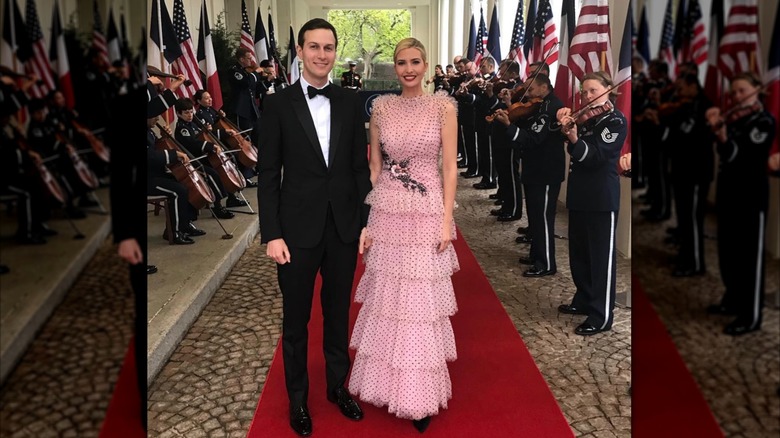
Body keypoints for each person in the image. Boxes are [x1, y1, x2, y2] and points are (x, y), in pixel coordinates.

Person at [257, 18, 371, 437]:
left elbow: (359, 169)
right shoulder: (277, 104)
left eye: (329, 47)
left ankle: (338, 387)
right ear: (301, 51)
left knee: (338, 314)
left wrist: (363, 222)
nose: (322, 54)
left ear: (335, 52)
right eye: (314, 47)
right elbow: (268, 173)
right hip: (295, 231)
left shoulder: (348, 100)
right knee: (296, 320)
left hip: (342, 228)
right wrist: (272, 233)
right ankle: (298, 400)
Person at [347, 37, 459, 434]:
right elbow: (375, 167)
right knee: (387, 296)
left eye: (414, 61)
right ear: (393, 67)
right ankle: (386, 381)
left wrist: (447, 221)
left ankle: (419, 395)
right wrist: (367, 221)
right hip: (388, 211)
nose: (408, 69)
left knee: (418, 302)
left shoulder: (444, 107)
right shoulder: (380, 108)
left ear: (426, 65)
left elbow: (449, 169)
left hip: (428, 212)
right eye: (401, 62)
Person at [556, 71, 627, 336]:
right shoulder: (586, 117)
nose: (587, 96)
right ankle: (584, 298)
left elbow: (596, 156)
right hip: (580, 194)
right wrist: (564, 126)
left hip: (601, 197)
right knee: (580, 253)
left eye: (593, 90)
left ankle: (601, 314)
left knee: (601, 258)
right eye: (584, 91)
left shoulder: (615, 120)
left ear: (609, 89)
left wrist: (573, 137)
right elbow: (568, 143)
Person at [705, 72, 776, 336]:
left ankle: (751, 314)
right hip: (729, 193)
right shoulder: (735, 118)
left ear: (758, 89)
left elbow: (745, 155)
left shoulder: (764, 121)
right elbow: (725, 153)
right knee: (729, 252)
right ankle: (732, 299)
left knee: (749, 258)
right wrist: (717, 130)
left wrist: (723, 137)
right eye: (734, 92)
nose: (737, 96)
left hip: (751, 196)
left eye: (742, 90)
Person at [494, 73, 565, 277]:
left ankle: (547, 263)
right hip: (535, 169)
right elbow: (527, 126)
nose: (527, 93)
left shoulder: (550, 107)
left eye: (531, 89)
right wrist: (512, 109)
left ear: (544, 87)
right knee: (534, 217)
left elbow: (533, 138)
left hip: (546, 171)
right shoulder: (538, 104)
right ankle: (536, 255)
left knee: (542, 218)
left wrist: (509, 124)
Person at [229, 47, 265, 151]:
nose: (251, 61)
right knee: (245, 136)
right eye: (248, 58)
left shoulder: (246, 71)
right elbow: (246, 83)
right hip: (242, 110)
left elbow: (255, 88)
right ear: (241, 59)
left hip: (253, 109)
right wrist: (256, 73)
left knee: (258, 135)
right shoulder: (234, 71)